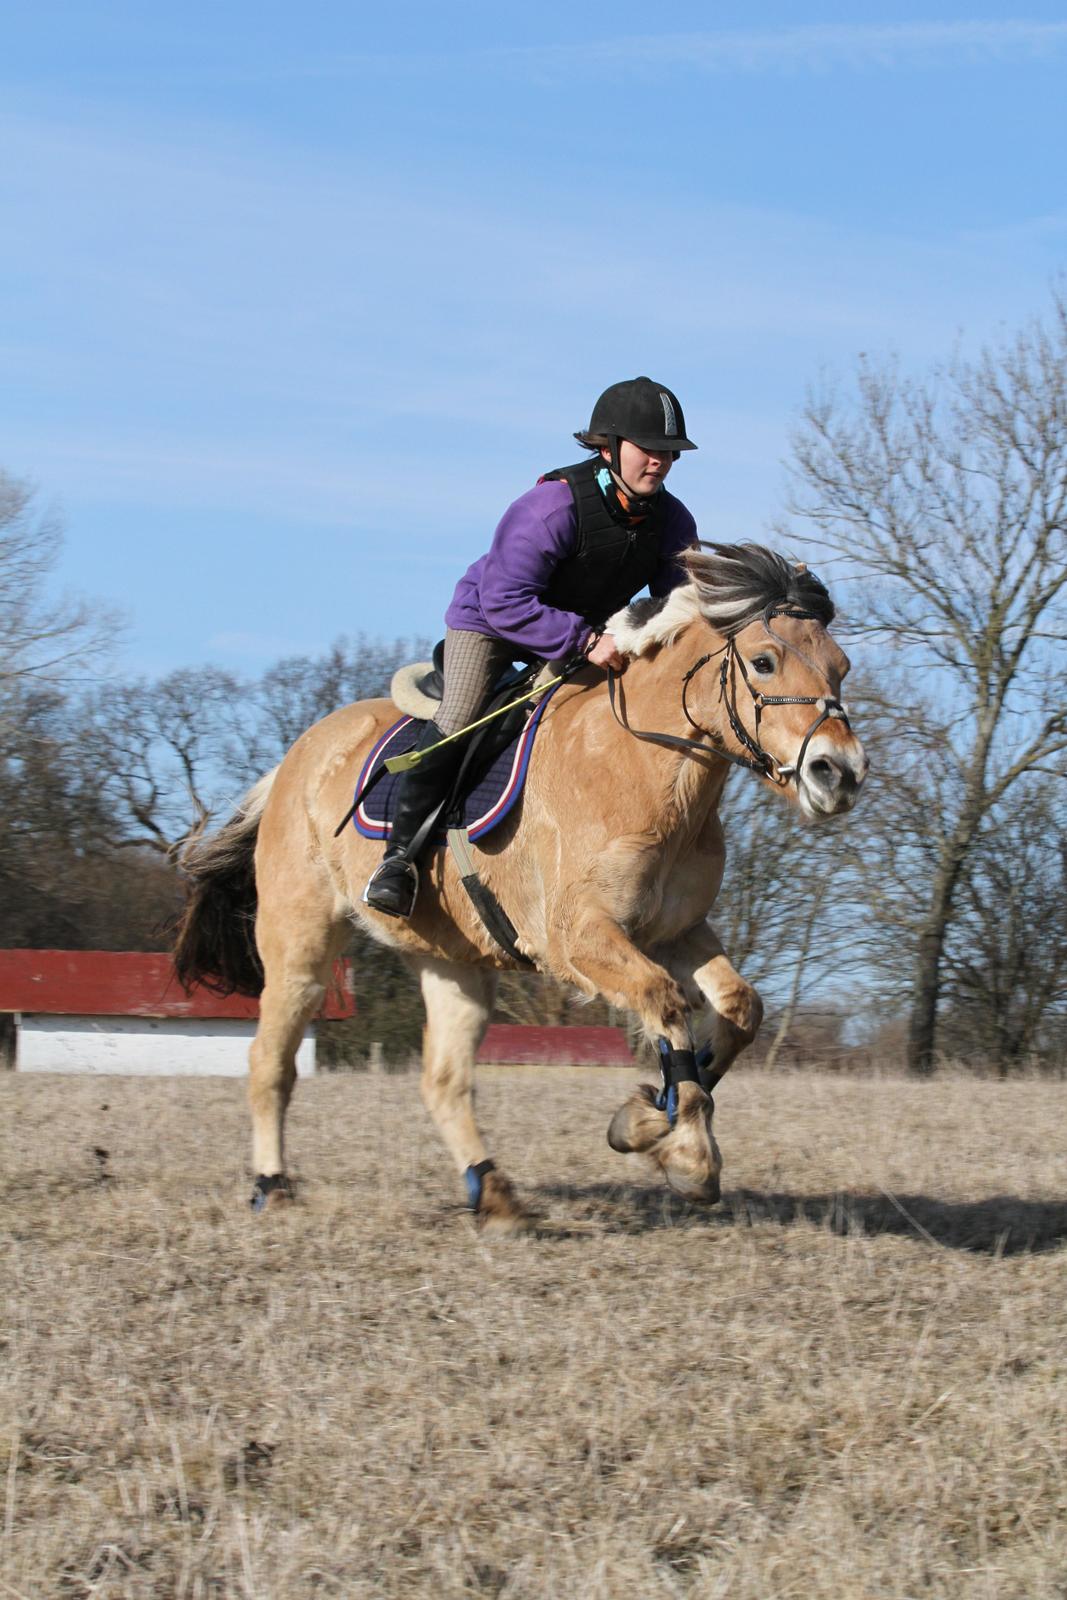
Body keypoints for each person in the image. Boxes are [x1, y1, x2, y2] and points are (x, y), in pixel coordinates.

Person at [363, 376, 699, 918]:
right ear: (608, 447)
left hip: (578, 634)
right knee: (463, 712)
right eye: (648, 450)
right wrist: (584, 640)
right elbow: (504, 599)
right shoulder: (551, 506)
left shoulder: (673, 521)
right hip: (492, 621)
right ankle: (398, 859)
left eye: (668, 453)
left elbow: (682, 605)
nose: (659, 463)